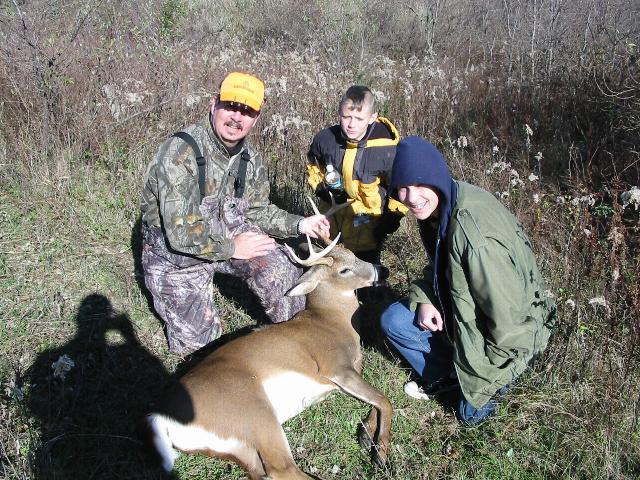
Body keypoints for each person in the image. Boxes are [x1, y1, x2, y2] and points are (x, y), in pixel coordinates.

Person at [140, 71, 330, 355]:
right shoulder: (180, 152)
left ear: (256, 118)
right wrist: (232, 248)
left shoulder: (250, 159)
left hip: (227, 235)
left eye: (247, 111)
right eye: (231, 106)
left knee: (281, 272)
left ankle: (303, 343)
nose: (236, 117)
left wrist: (301, 224)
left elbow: (257, 211)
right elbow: (180, 234)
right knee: (203, 350)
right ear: (213, 104)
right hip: (176, 254)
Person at [380, 136, 556, 425]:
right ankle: (450, 374)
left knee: (470, 415)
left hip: (515, 338)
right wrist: (424, 300)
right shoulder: (446, 202)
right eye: (403, 187)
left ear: (435, 177)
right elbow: (444, 265)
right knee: (395, 321)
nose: (411, 197)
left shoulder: (476, 239)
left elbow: (509, 321)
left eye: (419, 184)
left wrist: (482, 377)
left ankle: (479, 380)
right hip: (472, 310)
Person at [306, 85, 407, 264]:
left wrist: (391, 220)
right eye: (346, 117)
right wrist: (323, 190)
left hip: (367, 227)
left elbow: (399, 187)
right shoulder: (325, 139)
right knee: (326, 264)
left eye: (359, 119)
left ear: (372, 117)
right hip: (331, 221)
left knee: (365, 269)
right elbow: (314, 167)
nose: (351, 124)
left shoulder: (386, 148)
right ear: (339, 112)